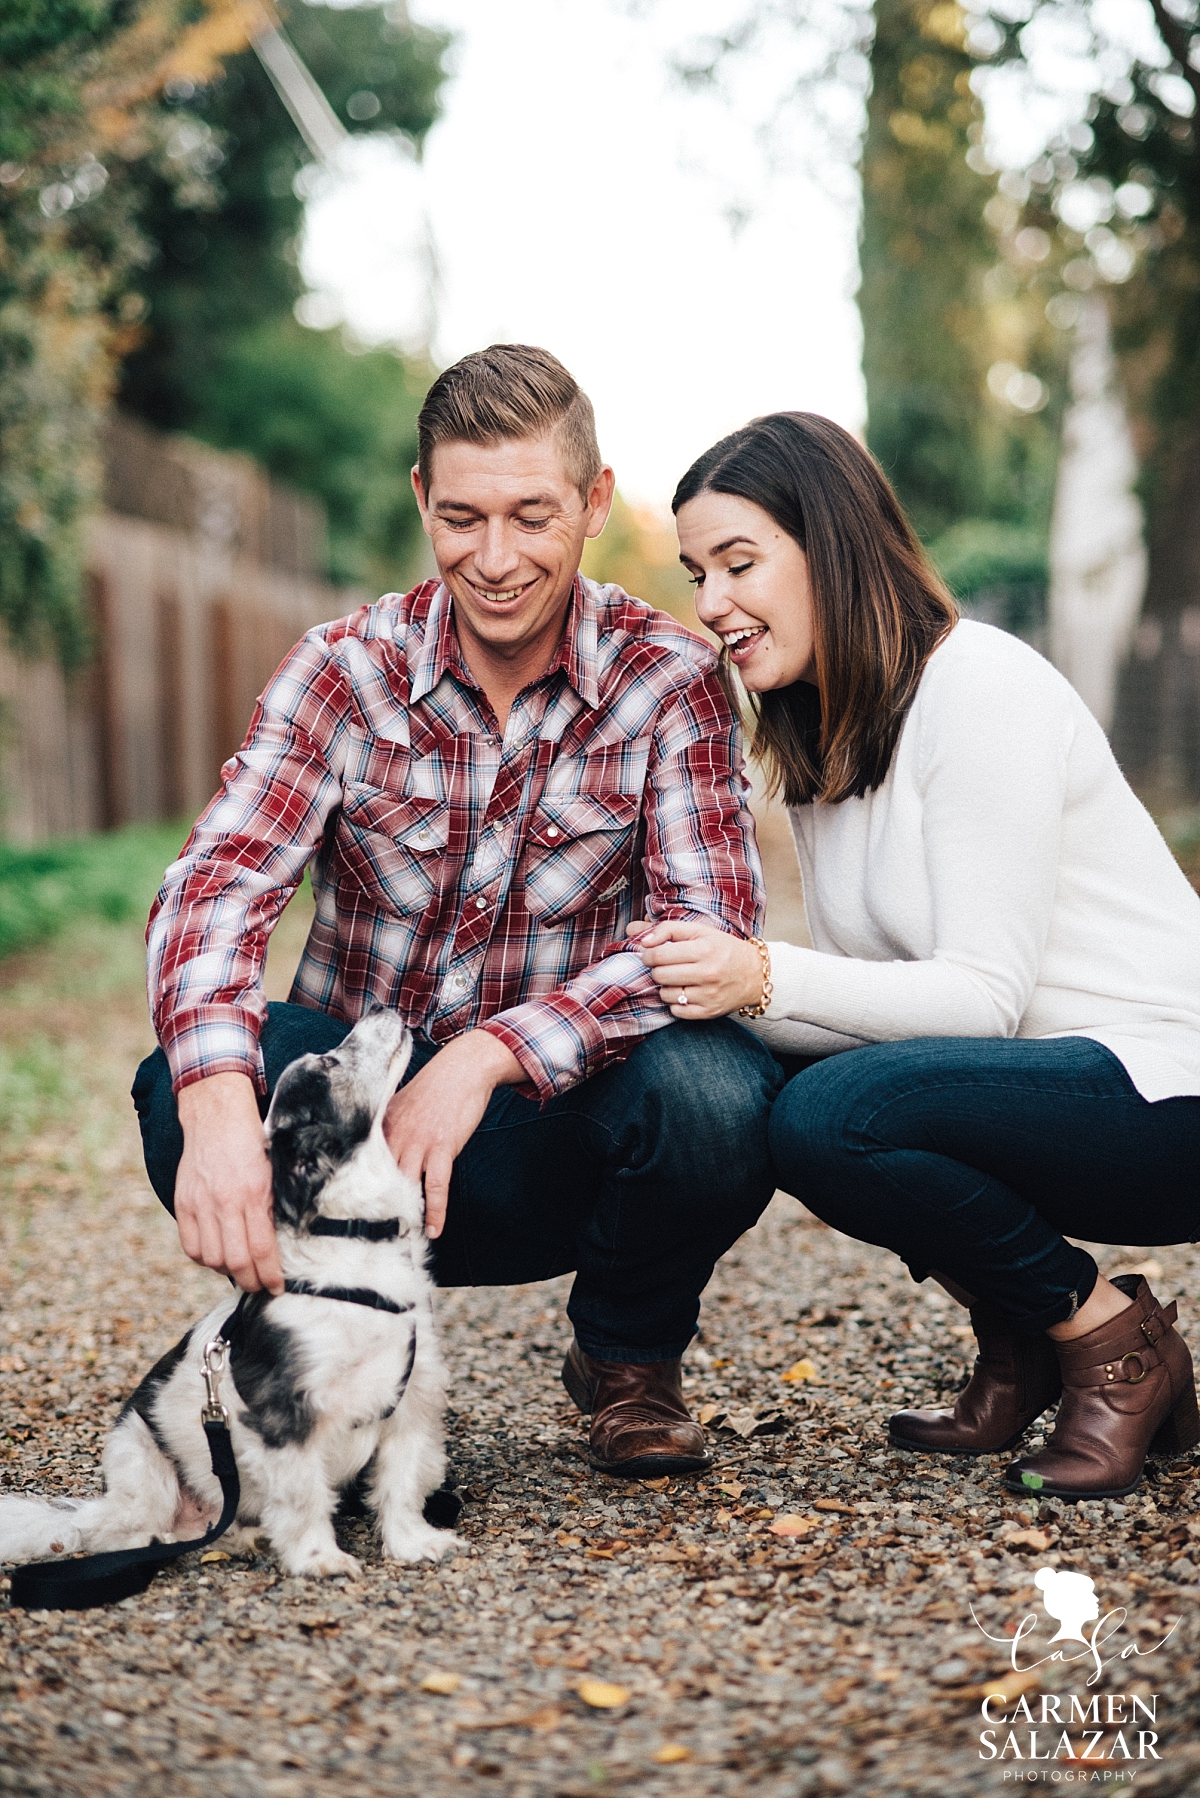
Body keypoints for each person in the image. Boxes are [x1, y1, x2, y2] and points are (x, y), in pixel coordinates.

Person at [133, 344, 784, 1480]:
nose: (495, 559)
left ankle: (627, 1355)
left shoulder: (669, 677)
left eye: (532, 515)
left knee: (724, 1092)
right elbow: (217, 885)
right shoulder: (343, 669)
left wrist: (489, 1053)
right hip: (363, 1140)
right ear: (422, 500)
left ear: (591, 504)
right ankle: (325, 1353)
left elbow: (706, 935)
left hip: (545, 1134)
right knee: (181, 1083)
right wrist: (219, 1108)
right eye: (463, 516)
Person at [634, 410, 1200, 1501]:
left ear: (833, 544)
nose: (711, 605)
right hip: (1047, 1087)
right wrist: (696, 988)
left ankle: (1113, 1341)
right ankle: (1027, 1332)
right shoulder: (822, 735)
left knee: (835, 1114)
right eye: (698, 572)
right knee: (765, 1086)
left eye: (740, 563)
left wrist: (758, 972)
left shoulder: (978, 687)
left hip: (1161, 1086)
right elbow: (874, 1010)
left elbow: (979, 999)